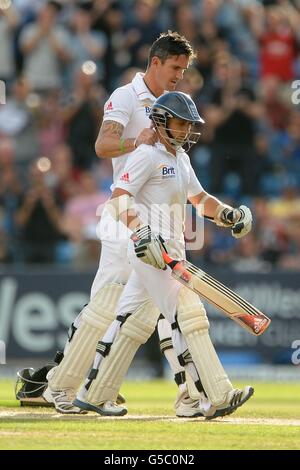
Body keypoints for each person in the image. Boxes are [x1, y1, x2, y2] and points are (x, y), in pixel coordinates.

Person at [42, 31, 209, 416]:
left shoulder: (171, 102)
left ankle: (184, 393)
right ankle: (65, 387)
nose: (179, 76)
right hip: (126, 217)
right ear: (155, 62)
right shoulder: (125, 96)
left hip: (159, 221)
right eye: (174, 68)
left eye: (184, 70)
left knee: (160, 307)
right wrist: (137, 140)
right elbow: (102, 146)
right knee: (109, 307)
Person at [73, 91, 254, 417]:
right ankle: (210, 397)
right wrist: (141, 231)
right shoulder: (146, 155)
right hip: (149, 252)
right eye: (179, 123)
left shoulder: (181, 159)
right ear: (160, 121)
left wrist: (227, 215)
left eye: (189, 125)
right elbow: (117, 198)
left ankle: (92, 393)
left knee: (127, 320)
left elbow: (199, 199)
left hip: (171, 251)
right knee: (185, 316)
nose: (185, 131)